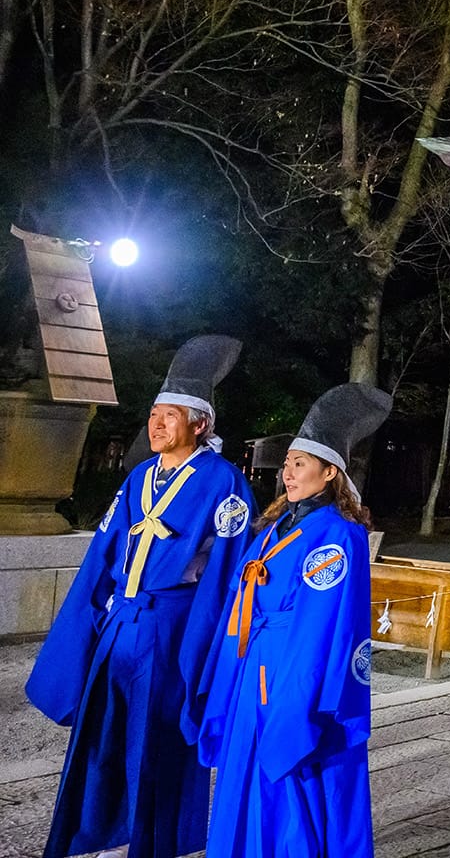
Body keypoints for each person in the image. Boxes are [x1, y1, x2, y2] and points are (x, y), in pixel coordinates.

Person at [27, 336, 253, 858]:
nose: (156, 424)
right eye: (154, 414)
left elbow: (225, 575)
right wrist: (85, 624)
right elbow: (102, 553)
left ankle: (153, 844)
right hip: (121, 623)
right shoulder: (138, 477)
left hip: (170, 627)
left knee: (156, 743)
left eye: (169, 416)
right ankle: (96, 831)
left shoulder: (224, 482)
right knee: (101, 734)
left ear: (200, 425)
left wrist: (205, 650)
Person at [198, 382, 391, 858]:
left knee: (287, 765)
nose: (287, 472)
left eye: (299, 464)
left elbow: (324, 626)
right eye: (286, 463)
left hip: (287, 671)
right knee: (244, 767)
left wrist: (299, 695)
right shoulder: (273, 527)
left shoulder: (336, 535)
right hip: (252, 663)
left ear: (329, 473)